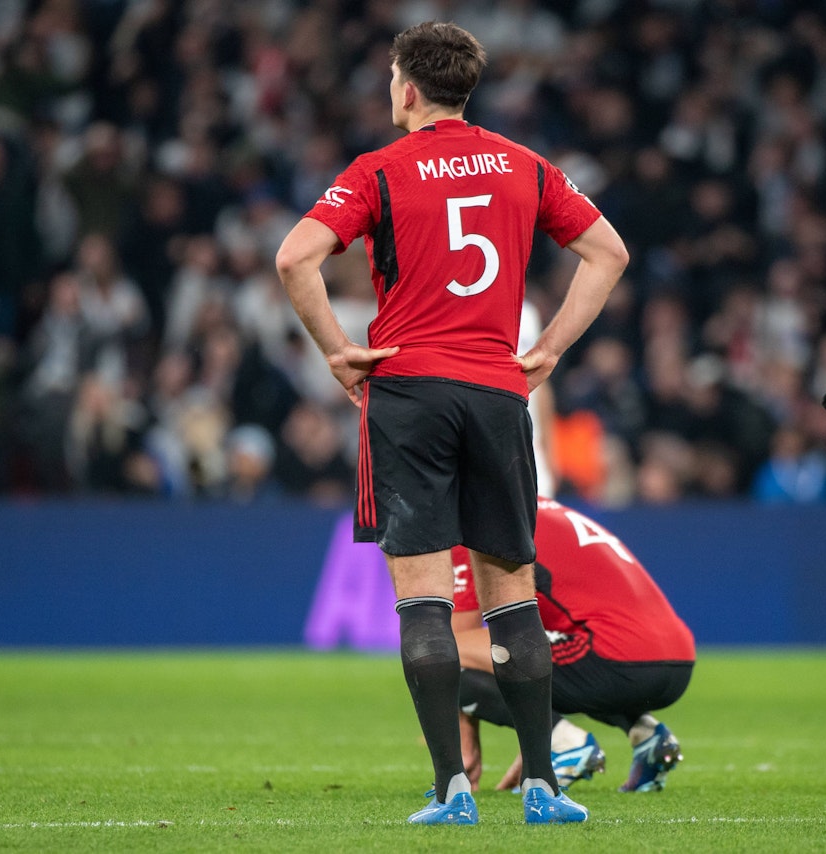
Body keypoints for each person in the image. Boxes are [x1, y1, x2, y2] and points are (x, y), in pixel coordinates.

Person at [274, 22, 628, 826]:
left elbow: (294, 256)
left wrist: (338, 351)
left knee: (426, 606)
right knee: (512, 605)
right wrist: (548, 352)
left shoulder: (378, 171)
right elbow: (609, 253)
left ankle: (451, 790)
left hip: (408, 393)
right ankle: (543, 786)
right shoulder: (524, 165)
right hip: (499, 392)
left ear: (406, 87)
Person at [452, 497, 694, 794]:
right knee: (538, 654)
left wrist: (465, 747)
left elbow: (458, 646)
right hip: (677, 660)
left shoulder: (476, 520)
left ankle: (566, 744)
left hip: (613, 658)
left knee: (444, 651)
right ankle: (646, 735)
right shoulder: (538, 507)